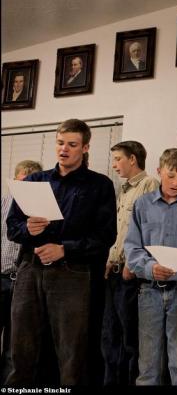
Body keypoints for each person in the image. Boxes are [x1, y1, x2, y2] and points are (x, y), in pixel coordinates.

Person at [6, 118, 117, 385]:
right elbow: (12, 228)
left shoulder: (99, 185)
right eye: (60, 143)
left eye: (72, 144)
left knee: (71, 351)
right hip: (30, 270)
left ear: (85, 147)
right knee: (21, 346)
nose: (64, 149)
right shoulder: (35, 180)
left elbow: (105, 237)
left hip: (72, 273)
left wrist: (64, 249)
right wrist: (27, 229)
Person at [124, 148, 177, 385]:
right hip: (149, 291)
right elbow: (132, 248)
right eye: (170, 176)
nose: (175, 183)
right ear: (159, 171)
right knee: (148, 364)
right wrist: (150, 267)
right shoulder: (142, 205)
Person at [101, 141, 159, 386]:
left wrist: (133, 264)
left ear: (132, 159)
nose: (114, 165)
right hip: (113, 273)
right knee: (109, 337)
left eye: (118, 159)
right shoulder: (122, 190)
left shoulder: (149, 184)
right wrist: (109, 259)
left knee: (130, 339)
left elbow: (150, 229)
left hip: (131, 275)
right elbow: (118, 230)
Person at [1, 160, 42, 384]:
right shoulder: (3, 203)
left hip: (26, 282)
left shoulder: (41, 209)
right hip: (2, 278)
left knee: (17, 343)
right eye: (22, 181)